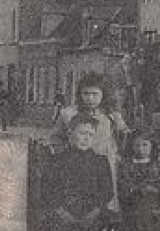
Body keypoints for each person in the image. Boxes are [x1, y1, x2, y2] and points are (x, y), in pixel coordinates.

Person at [51, 72, 129, 203]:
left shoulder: (111, 116)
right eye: (86, 94)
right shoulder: (68, 114)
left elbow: (124, 137)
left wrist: (118, 153)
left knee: (104, 200)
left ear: (103, 95)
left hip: (105, 165)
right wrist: (66, 156)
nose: (90, 98)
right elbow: (56, 139)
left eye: (95, 94)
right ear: (80, 95)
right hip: (77, 163)